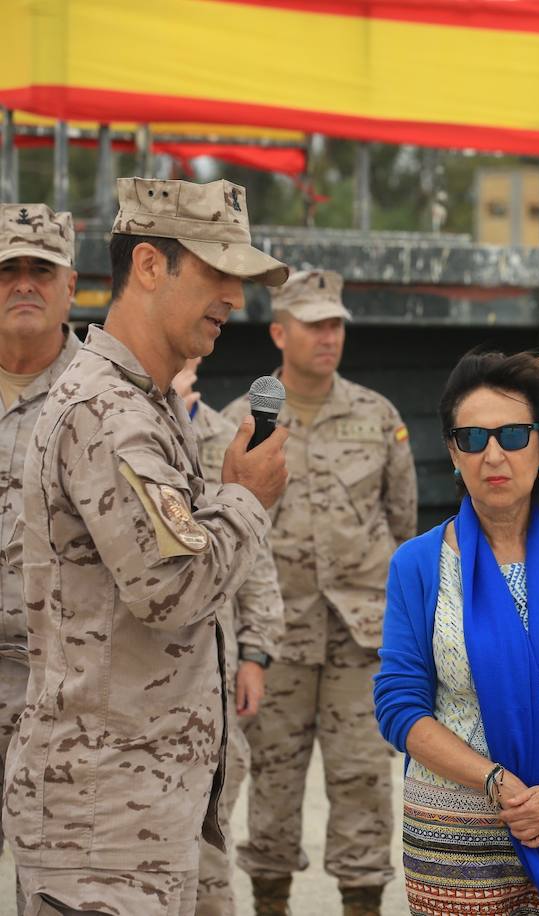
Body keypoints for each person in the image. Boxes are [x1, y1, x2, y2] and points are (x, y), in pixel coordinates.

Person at [3, 177, 289, 914]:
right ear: (150, 267)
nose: (234, 294)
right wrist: (247, 500)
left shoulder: (145, 403)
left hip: (148, 808)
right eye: (216, 271)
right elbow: (174, 589)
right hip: (104, 826)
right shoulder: (108, 409)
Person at [374, 349, 539, 914]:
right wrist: (503, 787)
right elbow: (400, 707)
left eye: (513, 434)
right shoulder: (419, 565)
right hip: (457, 842)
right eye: (471, 438)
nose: (492, 453)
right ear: (452, 452)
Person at [224, 268, 417, 916]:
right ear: (281, 332)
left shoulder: (377, 415)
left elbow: (402, 520)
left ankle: (362, 903)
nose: (328, 336)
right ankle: (269, 903)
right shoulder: (241, 423)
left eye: (335, 323)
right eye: (314, 324)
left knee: (364, 783)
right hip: (275, 642)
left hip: (360, 640)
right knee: (272, 788)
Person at [171, 358, 286, 916]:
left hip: (215, 675)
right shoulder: (121, 422)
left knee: (210, 851)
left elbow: (256, 563)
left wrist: (257, 655)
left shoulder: (225, 438)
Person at [0, 203, 81, 845]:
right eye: (8, 269)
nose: (24, 282)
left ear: (71, 286)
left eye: (41, 269)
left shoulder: (107, 396)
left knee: (57, 881)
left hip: (67, 685)